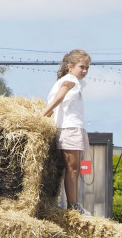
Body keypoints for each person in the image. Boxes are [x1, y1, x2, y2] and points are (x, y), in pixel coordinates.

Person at [39, 49, 92, 216]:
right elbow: (60, 96)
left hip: (74, 127)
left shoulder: (74, 80)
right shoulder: (69, 79)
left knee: (73, 169)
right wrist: (44, 113)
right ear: (70, 67)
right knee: (72, 168)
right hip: (69, 128)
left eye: (87, 68)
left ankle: (74, 204)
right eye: (81, 67)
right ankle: (73, 205)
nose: (85, 71)